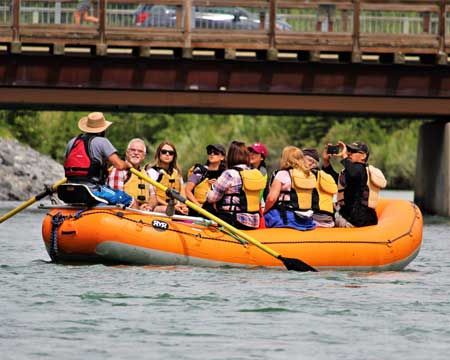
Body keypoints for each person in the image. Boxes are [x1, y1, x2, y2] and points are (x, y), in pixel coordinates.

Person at [63, 112, 132, 206]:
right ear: (102, 130)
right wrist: (128, 165)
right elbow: (119, 165)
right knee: (127, 199)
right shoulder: (102, 141)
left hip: (70, 190)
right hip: (93, 191)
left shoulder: (72, 142)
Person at [322, 141, 387, 227]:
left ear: (363, 156)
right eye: (348, 151)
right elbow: (335, 180)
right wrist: (326, 161)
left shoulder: (360, 169)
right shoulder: (350, 171)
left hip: (359, 220)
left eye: (353, 151)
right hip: (349, 217)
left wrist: (344, 157)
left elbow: (354, 174)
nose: (349, 153)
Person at [205, 141, 266, 230]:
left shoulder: (230, 174)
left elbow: (212, 198)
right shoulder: (255, 173)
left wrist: (211, 188)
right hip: (254, 222)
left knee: (208, 207)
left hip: (234, 220)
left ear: (231, 156)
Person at [264, 146, 316, 230]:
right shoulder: (309, 175)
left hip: (289, 218)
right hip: (307, 220)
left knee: (266, 216)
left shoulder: (283, 174)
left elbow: (271, 199)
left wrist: (264, 211)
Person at [107, 138, 157, 211]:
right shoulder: (119, 170)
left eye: (140, 151)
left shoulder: (146, 174)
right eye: (133, 150)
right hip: (126, 211)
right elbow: (117, 198)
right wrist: (138, 208)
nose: (136, 153)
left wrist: (149, 206)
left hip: (145, 212)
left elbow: (153, 196)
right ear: (127, 153)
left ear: (144, 156)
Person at [145, 141, 188, 215]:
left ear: (174, 156)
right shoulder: (152, 172)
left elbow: (182, 193)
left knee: (184, 211)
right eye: (164, 152)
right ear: (159, 154)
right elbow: (153, 195)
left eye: (171, 153)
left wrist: (183, 206)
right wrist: (170, 206)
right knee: (168, 210)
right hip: (159, 206)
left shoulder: (177, 172)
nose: (167, 154)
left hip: (175, 207)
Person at [185, 144, 226, 215]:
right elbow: (187, 190)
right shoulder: (200, 170)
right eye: (210, 152)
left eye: (216, 152)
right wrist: (199, 207)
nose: (212, 154)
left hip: (215, 211)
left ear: (222, 157)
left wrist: (218, 185)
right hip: (197, 209)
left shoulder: (225, 174)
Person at [302, 148, 338, 228]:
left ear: (311, 162)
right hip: (328, 219)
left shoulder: (305, 176)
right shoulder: (327, 176)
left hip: (313, 218)